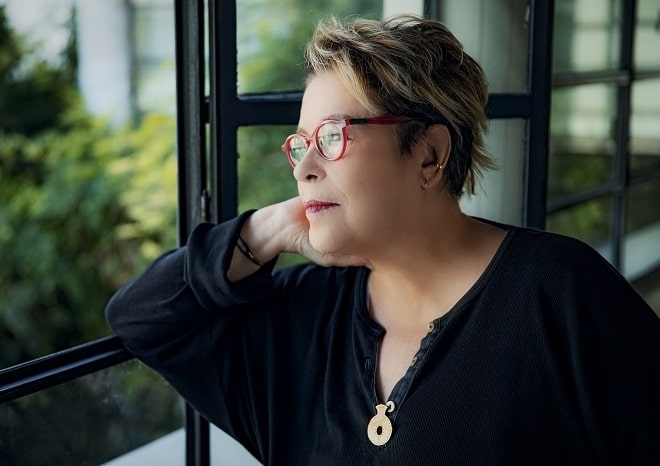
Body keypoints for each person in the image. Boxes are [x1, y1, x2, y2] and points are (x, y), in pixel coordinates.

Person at [106, 14, 660, 465]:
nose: (303, 167)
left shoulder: (559, 294)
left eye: (332, 136)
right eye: (300, 145)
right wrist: (263, 230)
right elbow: (139, 318)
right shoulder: (305, 315)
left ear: (429, 155)